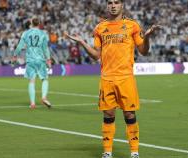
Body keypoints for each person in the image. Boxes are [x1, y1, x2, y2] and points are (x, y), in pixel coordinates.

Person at [65, 0, 161, 157]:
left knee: (129, 114)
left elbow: (143, 51)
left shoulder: (132, 25)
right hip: (107, 78)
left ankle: (134, 151)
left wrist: (148, 37)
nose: (113, 5)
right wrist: (82, 42)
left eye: (116, 2)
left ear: (122, 5)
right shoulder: (100, 27)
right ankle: (107, 152)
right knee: (108, 115)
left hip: (126, 78)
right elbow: (96, 55)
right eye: (110, 2)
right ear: (107, 5)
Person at [12, 17, 52, 109]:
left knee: (31, 81)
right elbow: (45, 48)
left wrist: (15, 56)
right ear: (39, 24)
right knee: (44, 79)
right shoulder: (43, 33)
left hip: (30, 60)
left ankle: (33, 103)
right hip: (40, 59)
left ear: (31, 23)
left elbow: (20, 46)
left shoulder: (26, 33)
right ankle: (44, 97)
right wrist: (48, 60)